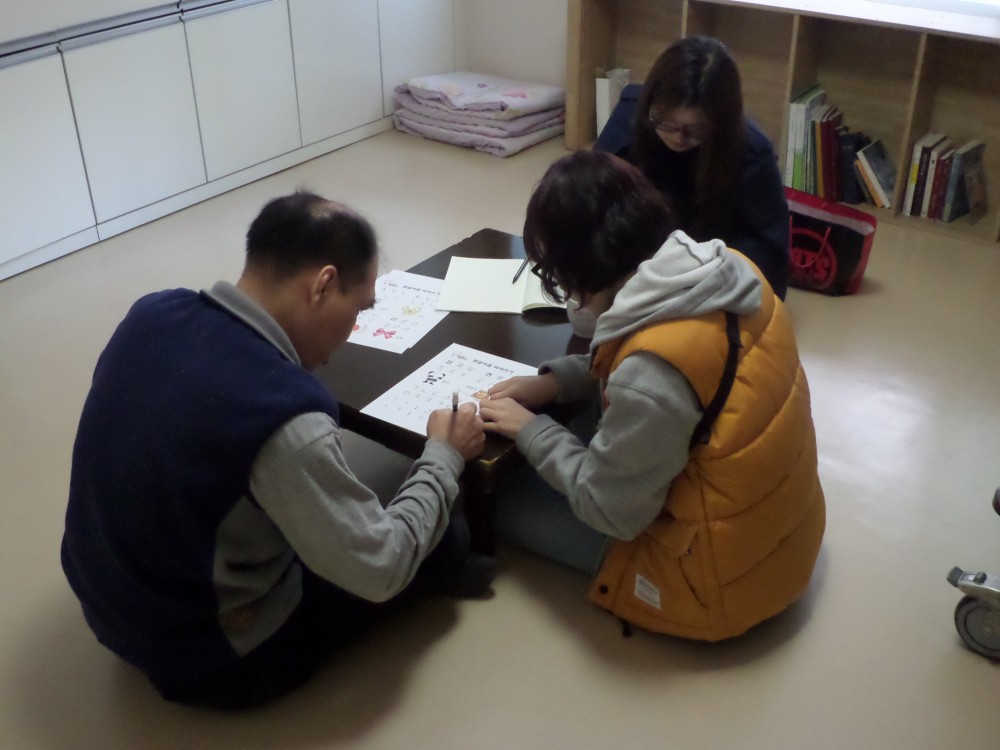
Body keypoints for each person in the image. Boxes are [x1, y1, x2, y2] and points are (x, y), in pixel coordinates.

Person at [61, 191, 493, 710]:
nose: (354, 328)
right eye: (359, 308)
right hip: (213, 659)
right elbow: (380, 567)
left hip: (108, 606)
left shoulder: (152, 312)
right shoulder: (285, 415)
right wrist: (443, 455)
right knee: (441, 539)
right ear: (323, 285)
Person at [478, 151, 824, 642]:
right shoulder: (724, 269)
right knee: (582, 429)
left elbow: (610, 510)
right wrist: (557, 381)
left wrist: (531, 429)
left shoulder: (648, 377)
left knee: (493, 496)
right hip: (777, 527)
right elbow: (661, 360)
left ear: (576, 269)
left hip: (715, 577)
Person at [594, 35, 791, 299]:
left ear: (721, 123)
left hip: (711, 269)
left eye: (695, 129)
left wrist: (706, 274)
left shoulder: (751, 153)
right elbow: (591, 193)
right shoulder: (634, 114)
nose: (678, 137)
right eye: (666, 123)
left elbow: (770, 253)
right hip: (638, 261)